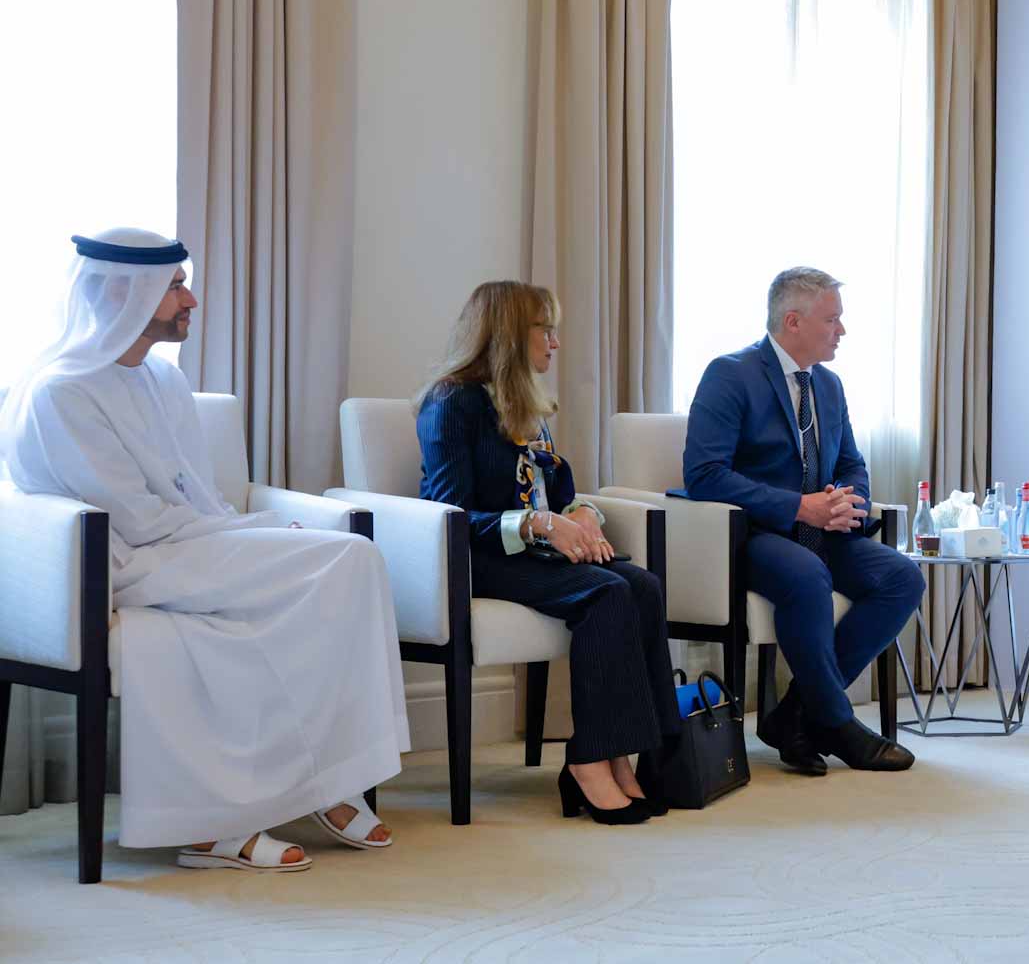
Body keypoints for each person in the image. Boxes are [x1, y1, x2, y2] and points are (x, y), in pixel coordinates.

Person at [0, 228, 408, 872]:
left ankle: (315, 781)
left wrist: (251, 533)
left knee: (340, 570)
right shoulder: (63, 390)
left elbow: (198, 494)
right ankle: (304, 789)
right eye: (174, 287)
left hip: (184, 547)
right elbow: (136, 521)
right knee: (349, 558)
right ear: (123, 294)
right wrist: (251, 536)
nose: (190, 300)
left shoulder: (162, 379)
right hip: (120, 565)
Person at [417, 281, 680, 825]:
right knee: (606, 594)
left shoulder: (527, 405)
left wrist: (583, 515)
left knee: (643, 586)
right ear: (512, 334)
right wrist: (538, 524)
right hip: (479, 560)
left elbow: (557, 494)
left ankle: (628, 753)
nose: (555, 343)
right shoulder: (452, 402)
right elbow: (450, 514)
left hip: (531, 553)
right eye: (546, 330)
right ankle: (588, 759)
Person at [682, 267, 922, 774]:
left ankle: (796, 713)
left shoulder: (828, 386)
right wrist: (798, 506)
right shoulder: (731, 374)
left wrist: (849, 502)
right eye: (832, 320)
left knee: (902, 577)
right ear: (793, 321)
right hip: (753, 535)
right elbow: (705, 475)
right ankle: (836, 721)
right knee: (808, 575)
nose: (842, 330)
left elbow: (852, 463)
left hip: (821, 532)